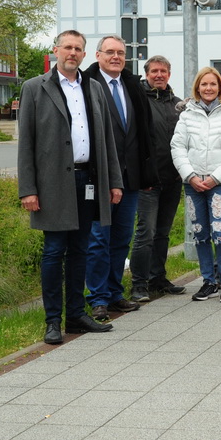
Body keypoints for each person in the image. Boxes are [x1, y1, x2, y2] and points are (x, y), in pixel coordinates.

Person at [17, 30, 121, 343]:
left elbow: (106, 140)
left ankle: (76, 315)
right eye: (67, 47)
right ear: (55, 51)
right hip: (52, 184)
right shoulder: (35, 88)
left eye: (78, 48)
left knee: (80, 251)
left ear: (84, 55)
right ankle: (52, 321)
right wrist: (28, 188)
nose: (72, 53)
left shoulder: (93, 88)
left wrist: (113, 181)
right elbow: (27, 143)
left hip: (87, 180)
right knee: (53, 252)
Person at [82, 35, 156, 320]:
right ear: (98, 55)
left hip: (130, 178)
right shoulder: (87, 85)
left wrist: (146, 173)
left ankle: (114, 293)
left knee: (121, 238)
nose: (116, 57)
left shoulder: (131, 85)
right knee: (98, 239)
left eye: (121, 53)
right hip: (99, 177)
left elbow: (143, 133)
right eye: (110, 52)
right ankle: (97, 297)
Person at [171, 67, 221, 303]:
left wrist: (215, 177)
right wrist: (190, 175)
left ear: (219, 87)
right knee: (200, 233)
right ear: (197, 87)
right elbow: (178, 147)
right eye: (204, 84)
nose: (208, 88)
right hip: (193, 183)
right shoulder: (186, 115)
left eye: (213, 84)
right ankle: (208, 281)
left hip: (219, 184)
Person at [129, 55, 187, 299]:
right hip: (148, 182)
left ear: (169, 74)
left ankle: (157, 279)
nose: (159, 75)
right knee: (146, 233)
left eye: (163, 71)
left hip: (172, 180)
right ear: (147, 74)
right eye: (154, 71)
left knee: (163, 232)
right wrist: (143, 175)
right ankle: (139, 284)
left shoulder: (177, 104)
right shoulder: (138, 101)